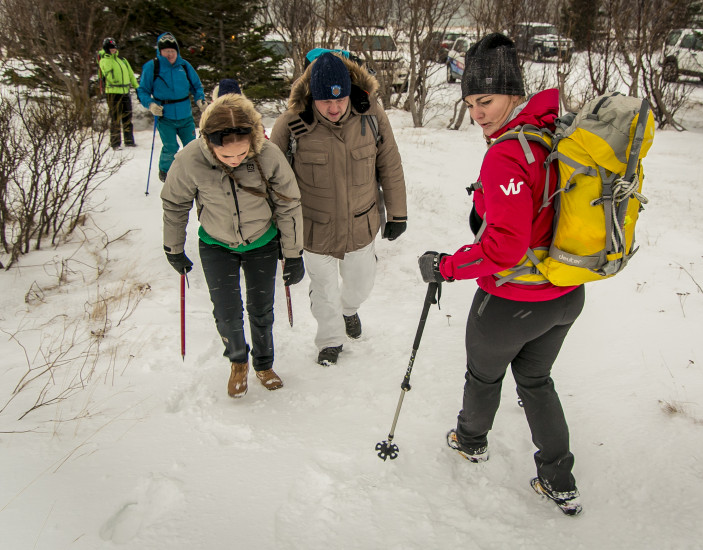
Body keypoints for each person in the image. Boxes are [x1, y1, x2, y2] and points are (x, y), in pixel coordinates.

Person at [417, 33, 585, 516]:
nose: (478, 114)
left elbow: (504, 248)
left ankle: (470, 441)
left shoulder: (507, 153)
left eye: (486, 100)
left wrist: (446, 267)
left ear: (514, 93)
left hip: (514, 301)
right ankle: (558, 478)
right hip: (565, 294)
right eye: (470, 103)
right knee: (536, 381)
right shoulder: (555, 131)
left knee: (483, 375)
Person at [160, 92, 305, 398]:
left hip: (261, 243)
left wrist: (293, 254)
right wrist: (173, 248)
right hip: (217, 245)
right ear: (208, 141)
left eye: (242, 154)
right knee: (226, 312)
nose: (236, 160)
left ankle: (264, 364)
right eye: (226, 156)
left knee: (261, 310)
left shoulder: (268, 155)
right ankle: (238, 361)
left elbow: (289, 204)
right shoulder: (189, 160)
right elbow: (174, 204)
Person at [269, 52, 407, 367]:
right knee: (324, 290)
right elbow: (273, 180)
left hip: (362, 221)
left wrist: (398, 213)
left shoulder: (372, 116)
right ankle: (330, 340)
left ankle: (350, 309)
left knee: (360, 284)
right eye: (324, 102)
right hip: (314, 227)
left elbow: (390, 164)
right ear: (311, 97)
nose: (334, 108)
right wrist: (278, 231)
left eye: (340, 100)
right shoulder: (291, 123)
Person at [137, 32, 207, 182]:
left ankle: (193, 172)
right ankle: (165, 171)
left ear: (177, 51)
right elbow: (142, 90)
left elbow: (196, 86)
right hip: (165, 116)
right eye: (166, 51)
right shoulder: (152, 67)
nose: (169, 54)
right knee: (170, 147)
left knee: (191, 146)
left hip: (185, 115)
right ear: (160, 52)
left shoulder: (184, 66)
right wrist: (150, 104)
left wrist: (200, 99)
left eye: (172, 51)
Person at [97, 37, 138, 148]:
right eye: (110, 48)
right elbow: (106, 71)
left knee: (127, 117)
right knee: (115, 118)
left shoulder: (122, 60)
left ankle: (129, 140)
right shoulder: (104, 60)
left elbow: (130, 74)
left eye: (114, 48)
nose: (113, 50)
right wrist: (106, 55)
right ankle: (115, 142)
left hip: (125, 91)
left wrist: (136, 87)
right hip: (113, 92)